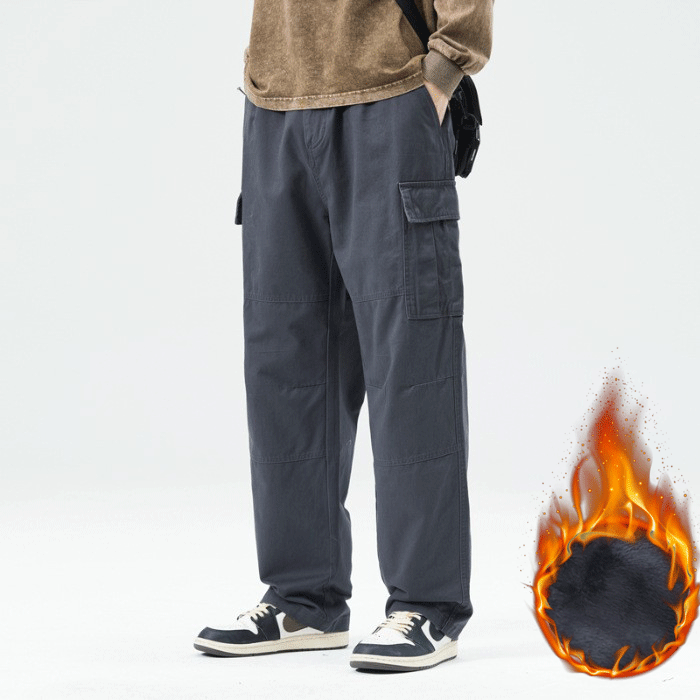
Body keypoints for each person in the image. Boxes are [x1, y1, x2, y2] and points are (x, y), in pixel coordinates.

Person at [194, 0, 494, 672]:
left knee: (410, 362)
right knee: (285, 364)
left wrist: (442, 72)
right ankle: (304, 598)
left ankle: (428, 606)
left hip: (391, 97)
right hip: (275, 103)